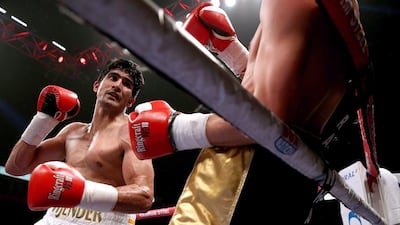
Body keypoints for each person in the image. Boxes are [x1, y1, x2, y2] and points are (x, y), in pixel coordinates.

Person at [128, 0, 375, 224]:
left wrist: (176, 129)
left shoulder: (287, 4)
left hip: (245, 167)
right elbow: (293, 99)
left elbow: (267, 124)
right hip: (296, 172)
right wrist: (233, 53)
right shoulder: (347, 18)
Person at [5, 58, 155, 225]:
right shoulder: (73, 131)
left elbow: (144, 196)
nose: (117, 85)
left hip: (103, 220)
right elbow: (16, 168)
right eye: (113, 78)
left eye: (126, 84)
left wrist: (82, 193)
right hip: (55, 217)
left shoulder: (131, 135)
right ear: (96, 86)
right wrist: (43, 119)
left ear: (130, 101)